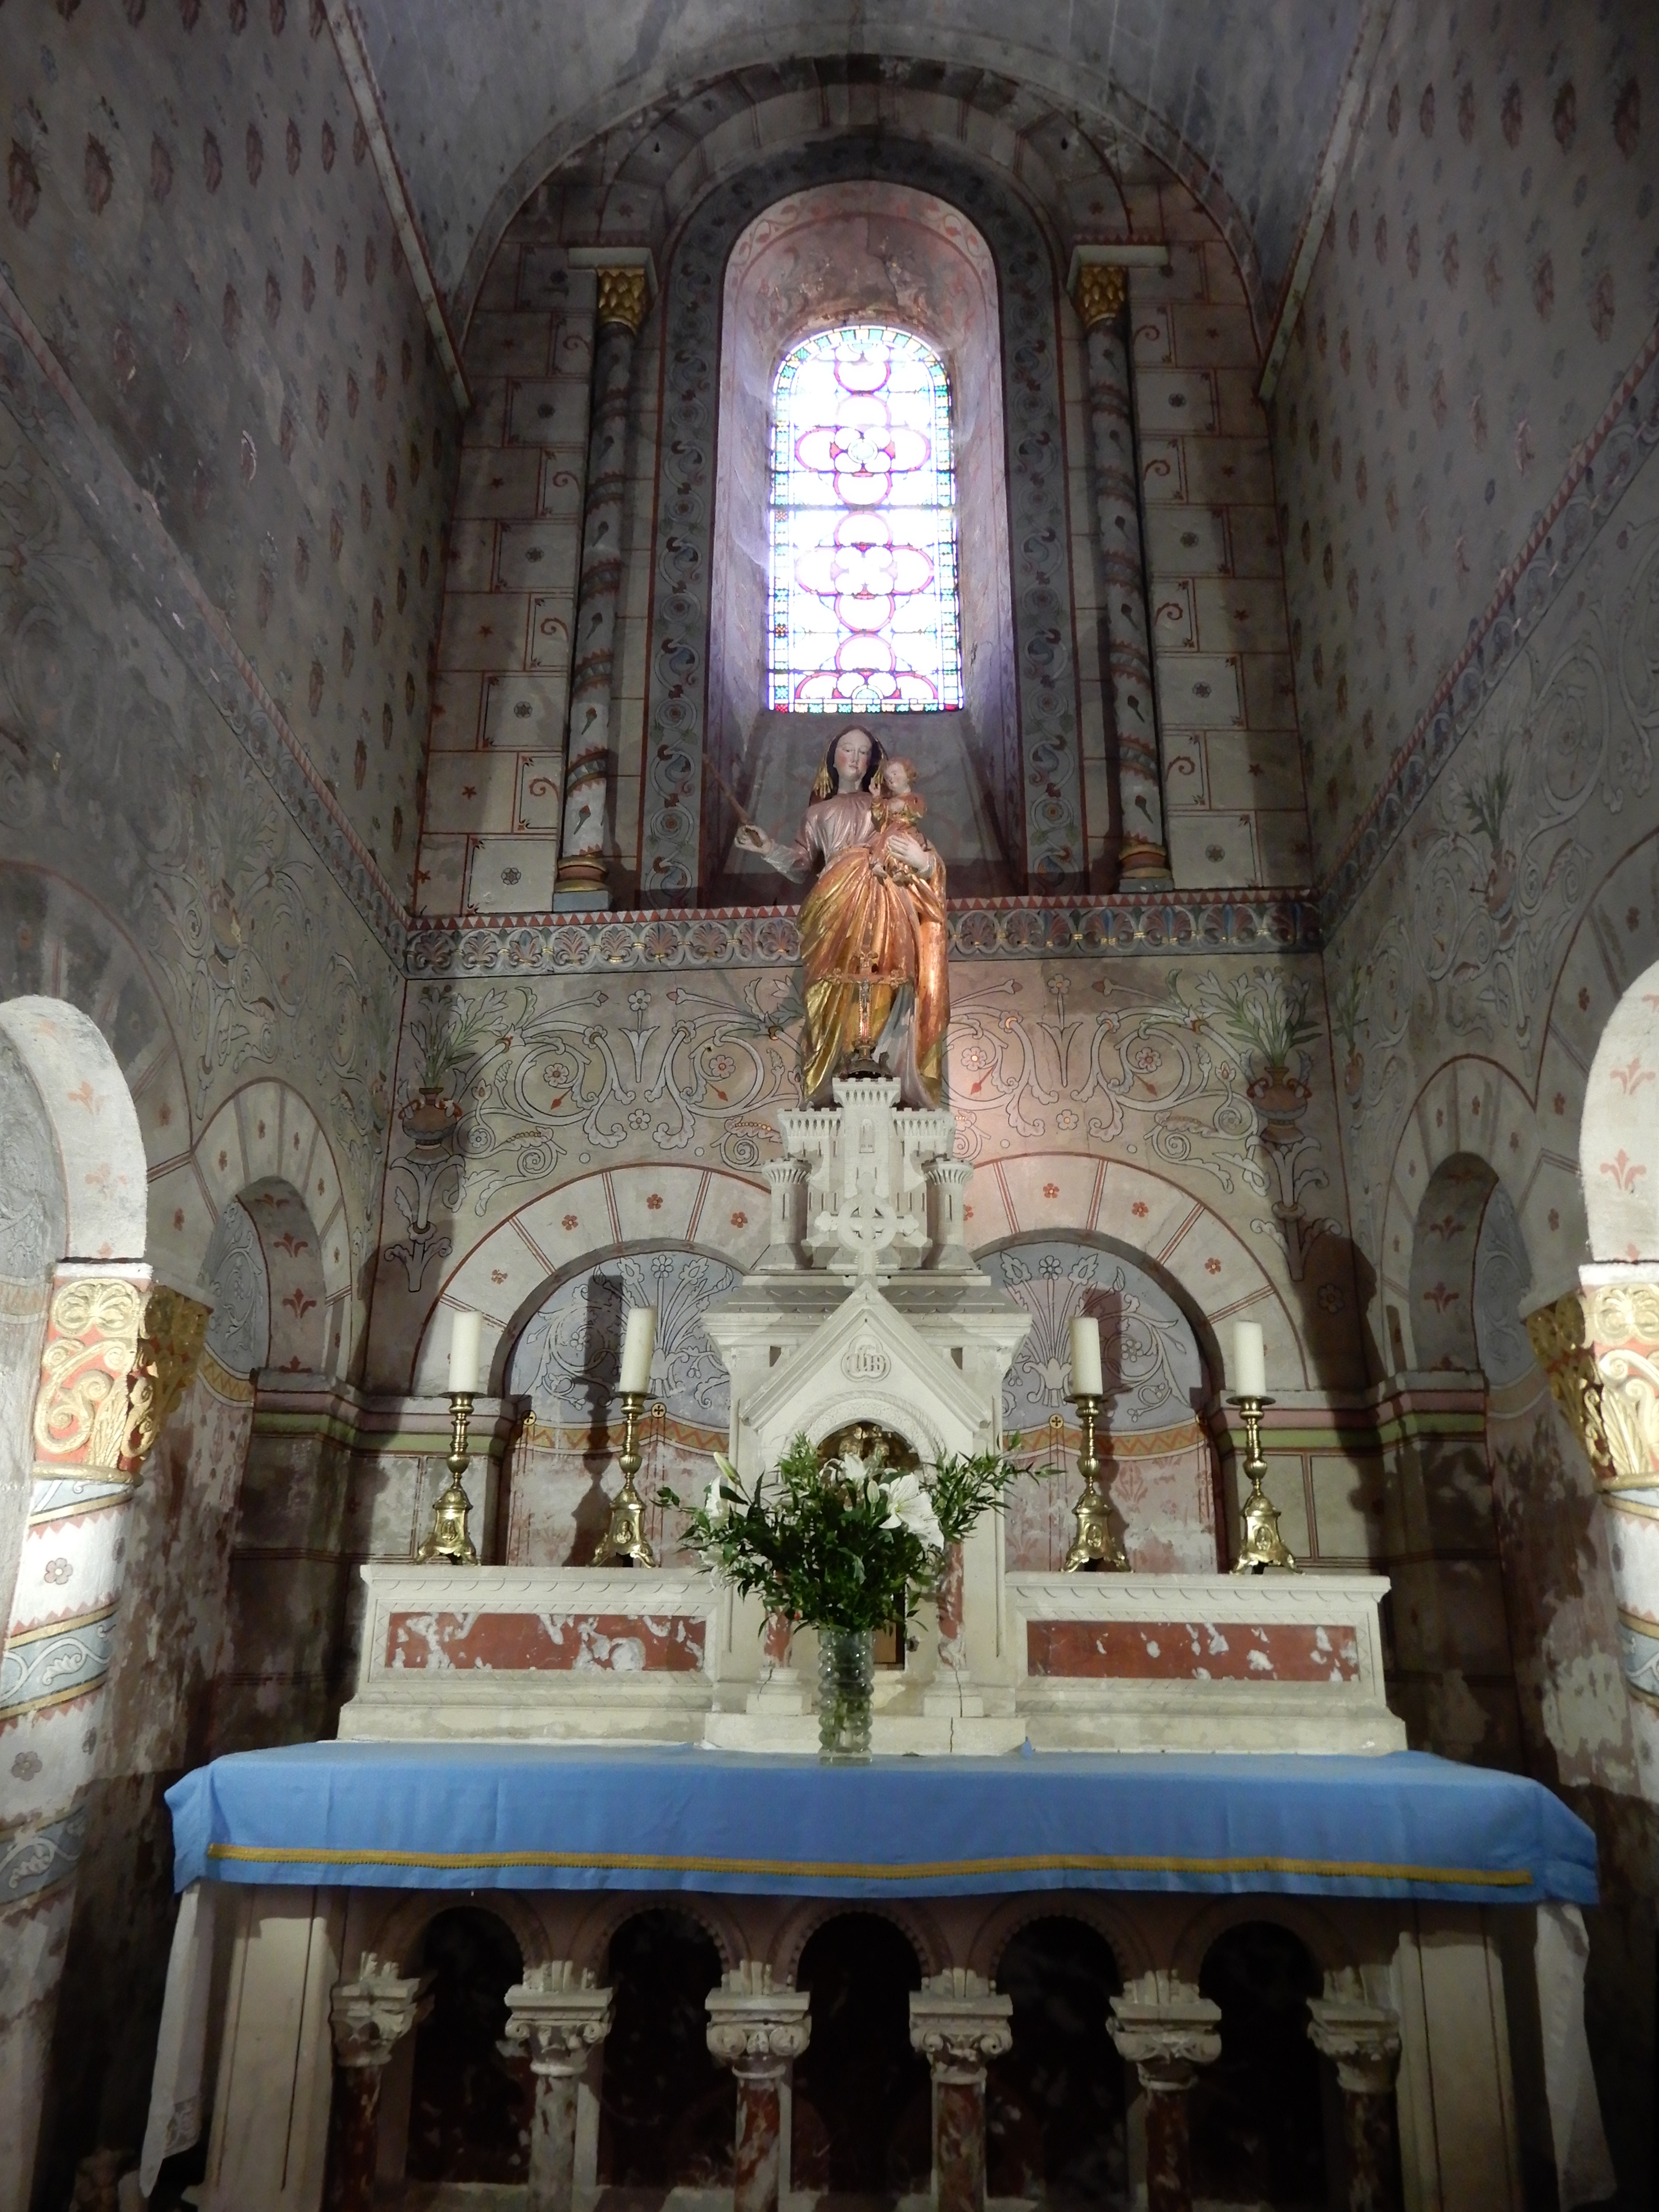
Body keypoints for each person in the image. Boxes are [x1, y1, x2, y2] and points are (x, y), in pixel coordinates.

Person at [736, 730, 948, 1107]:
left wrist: (923, 862)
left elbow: (921, 850)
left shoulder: (886, 806)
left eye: (864, 752)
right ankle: (832, 1080)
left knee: (889, 980)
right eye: (848, 750)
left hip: (885, 899)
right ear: (832, 759)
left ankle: (889, 1070)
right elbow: (803, 866)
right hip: (833, 905)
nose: (855, 758)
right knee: (828, 987)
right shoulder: (818, 813)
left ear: (874, 762)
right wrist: (766, 847)